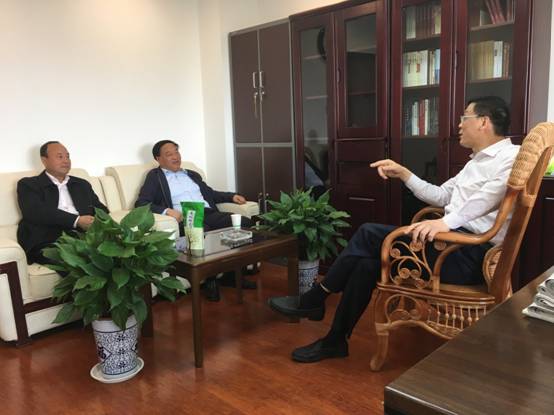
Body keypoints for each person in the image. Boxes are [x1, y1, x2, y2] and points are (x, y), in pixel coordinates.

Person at [269, 96, 519, 363]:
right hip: (448, 245)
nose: (459, 125)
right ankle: (334, 340)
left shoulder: (511, 157)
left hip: (469, 254)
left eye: (464, 118)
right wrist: (403, 173)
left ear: (483, 122)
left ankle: (317, 297)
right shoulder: (474, 163)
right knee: (366, 263)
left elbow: (489, 199)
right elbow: (440, 195)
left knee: (368, 232)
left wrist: (444, 223)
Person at [135, 140, 255, 300]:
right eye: (169, 154)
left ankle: (231, 275)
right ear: (158, 159)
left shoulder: (191, 174)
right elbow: (142, 203)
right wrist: (167, 211)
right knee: (203, 234)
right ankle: (211, 280)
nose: (175, 157)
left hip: (208, 212)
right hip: (189, 217)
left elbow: (210, 193)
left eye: (176, 152)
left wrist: (231, 196)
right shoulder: (155, 177)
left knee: (244, 224)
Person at [17, 141, 108, 265]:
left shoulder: (81, 184)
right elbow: (35, 212)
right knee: (79, 261)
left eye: (67, 156)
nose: (66, 161)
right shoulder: (29, 184)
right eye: (60, 157)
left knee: (115, 254)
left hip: (84, 236)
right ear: (44, 160)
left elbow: (101, 209)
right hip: (48, 239)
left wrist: (95, 221)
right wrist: (77, 220)